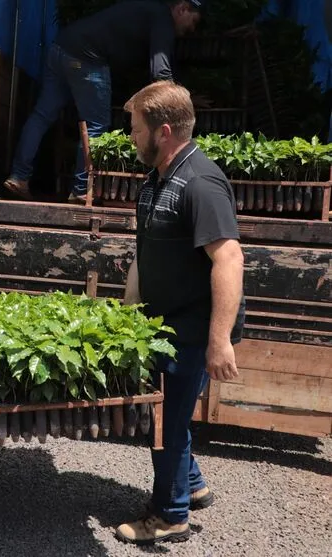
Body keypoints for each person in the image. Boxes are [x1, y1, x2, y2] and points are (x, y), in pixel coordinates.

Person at [114, 81, 244, 544]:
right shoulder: (156, 181)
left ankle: (170, 516)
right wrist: (127, 317)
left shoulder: (201, 182)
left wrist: (219, 339)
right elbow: (144, 253)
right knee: (173, 412)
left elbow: (228, 258)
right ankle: (190, 484)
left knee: (165, 421)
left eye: (135, 130)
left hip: (190, 330)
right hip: (161, 324)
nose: (130, 138)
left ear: (163, 131)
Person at [4, 0, 203, 203]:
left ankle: (19, 176)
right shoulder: (163, 19)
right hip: (87, 57)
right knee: (95, 124)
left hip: (61, 47)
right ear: (182, 8)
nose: (191, 29)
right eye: (193, 21)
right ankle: (81, 190)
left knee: (42, 116)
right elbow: (160, 72)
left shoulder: (148, 10)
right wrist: (182, 102)